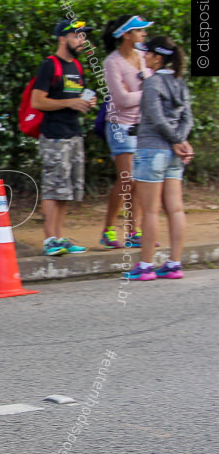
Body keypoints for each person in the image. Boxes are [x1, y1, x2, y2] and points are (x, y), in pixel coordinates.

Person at [124, 37, 193, 281]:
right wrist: (180, 141)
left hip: (152, 150)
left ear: (158, 58)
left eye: (148, 53)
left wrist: (174, 139)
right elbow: (188, 118)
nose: (145, 57)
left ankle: (145, 266)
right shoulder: (179, 82)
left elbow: (155, 117)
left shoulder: (153, 83)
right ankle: (174, 264)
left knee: (150, 211)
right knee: (175, 209)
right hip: (174, 155)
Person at [30, 20, 96, 257]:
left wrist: (85, 102)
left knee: (66, 190)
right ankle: (49, 240)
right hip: (54, 137)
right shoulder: (50, 65)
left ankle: (59, 237)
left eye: (83, 37)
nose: (82, 41)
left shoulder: (77, 66)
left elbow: (75, 97)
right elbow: (37, 101)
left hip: (74, 134)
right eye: (77, 36)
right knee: (52, 188)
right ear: (62, 38)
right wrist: (69, 102)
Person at [101, 15, 153, 249]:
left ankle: (134, 231)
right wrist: (147, 93)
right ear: (125, 34)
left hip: (142, 126)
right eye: (139, 30)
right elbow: (121, 100)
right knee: (126, 179)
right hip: (120, 126)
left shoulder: (144, 56)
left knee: (137, 180)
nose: (143, 34)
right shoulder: (112, 62)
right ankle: (108, 230)